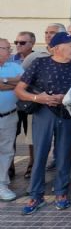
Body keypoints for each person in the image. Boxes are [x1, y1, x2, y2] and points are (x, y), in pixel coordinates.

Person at [15, 32, 71, 215]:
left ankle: (61, 193)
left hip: (66, 113)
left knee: (64, 155)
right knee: (40, 154)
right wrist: (40, 98)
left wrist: (67, 98)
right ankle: (35, 195)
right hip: (43, 113)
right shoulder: (39, 63)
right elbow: (20, 90)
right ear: (58, 48)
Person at [0, 38, 23, 200]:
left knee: (7, 151)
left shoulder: (15, 66)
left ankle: (2, 183)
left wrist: (4, 82)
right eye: (7, 48)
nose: (11, 51)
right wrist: (13, 83)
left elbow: (24, 83)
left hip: (9, 115)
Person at [9, 32, 33, 180]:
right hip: (13, 105)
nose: (18, 45)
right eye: (16, 42)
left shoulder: (38, 59)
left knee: (32, 137)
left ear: (32, 44)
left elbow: (28, 82)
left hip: (31, 104)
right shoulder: (10, 60)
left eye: (22, 43)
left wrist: (11, 82)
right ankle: (10, 167)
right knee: (11, 136)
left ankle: (32, 165)